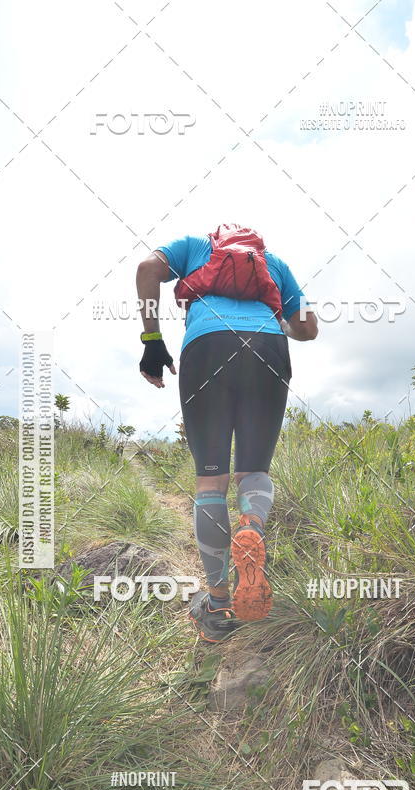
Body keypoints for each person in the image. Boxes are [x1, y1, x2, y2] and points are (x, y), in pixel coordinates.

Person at [136, 225, 318, 642]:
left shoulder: (193, 247)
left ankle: (218, 605)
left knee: (211, 480)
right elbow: (308, 328)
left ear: (218, 237)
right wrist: (277, 324)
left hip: (207, 347)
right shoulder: (274, 263)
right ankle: (251, 524)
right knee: (254, 470)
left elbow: (147, 268)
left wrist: (151, 339)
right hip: (268, 349)